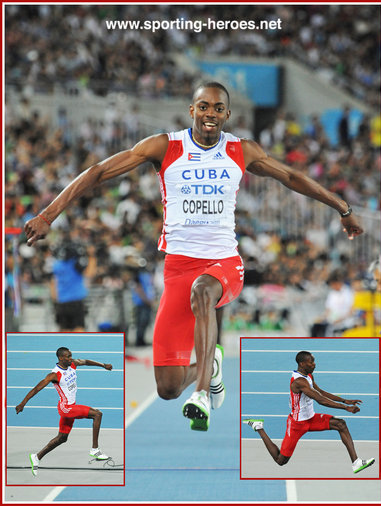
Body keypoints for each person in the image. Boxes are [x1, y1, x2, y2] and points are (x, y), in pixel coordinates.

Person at [24, 82, 363, 432]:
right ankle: (209, 368)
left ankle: (201, 393)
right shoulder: (164, 146)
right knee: (168, 388)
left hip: (224, 265)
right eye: (203, 107)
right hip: (177, 269)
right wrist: (48, 215)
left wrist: (342, 207)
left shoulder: (240, 150)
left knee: (203, 291)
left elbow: (291, 176)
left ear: (227, 114)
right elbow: (97, 172)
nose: (210, 114)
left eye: (218, 108)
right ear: (192, 110)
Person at [243, 351, 375, 474]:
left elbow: (321, 392)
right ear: (302, 364)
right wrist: (345, 408)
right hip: (297, 424)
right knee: (280, 460)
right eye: (311, 362)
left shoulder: (309, 375)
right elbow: (320, 400)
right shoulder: (299, 382)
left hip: (311, 419)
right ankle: (259, 427)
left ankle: (356, 462)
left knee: (341, 424)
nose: (314, 364)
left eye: (314, 361)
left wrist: (345, 401)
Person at [15, 347, 113, 476]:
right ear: (60, 358)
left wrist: (103, 365)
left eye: (71, 355)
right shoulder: (54, 374)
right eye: (67, 356)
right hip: (65, 408)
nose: (70, 358)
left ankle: (37, 457)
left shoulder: (72, 364)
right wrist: (23, 403)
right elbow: (37, 388)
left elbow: (86, 361)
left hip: (71, 407)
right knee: (97, 414)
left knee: (62, 438)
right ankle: (95, 449)